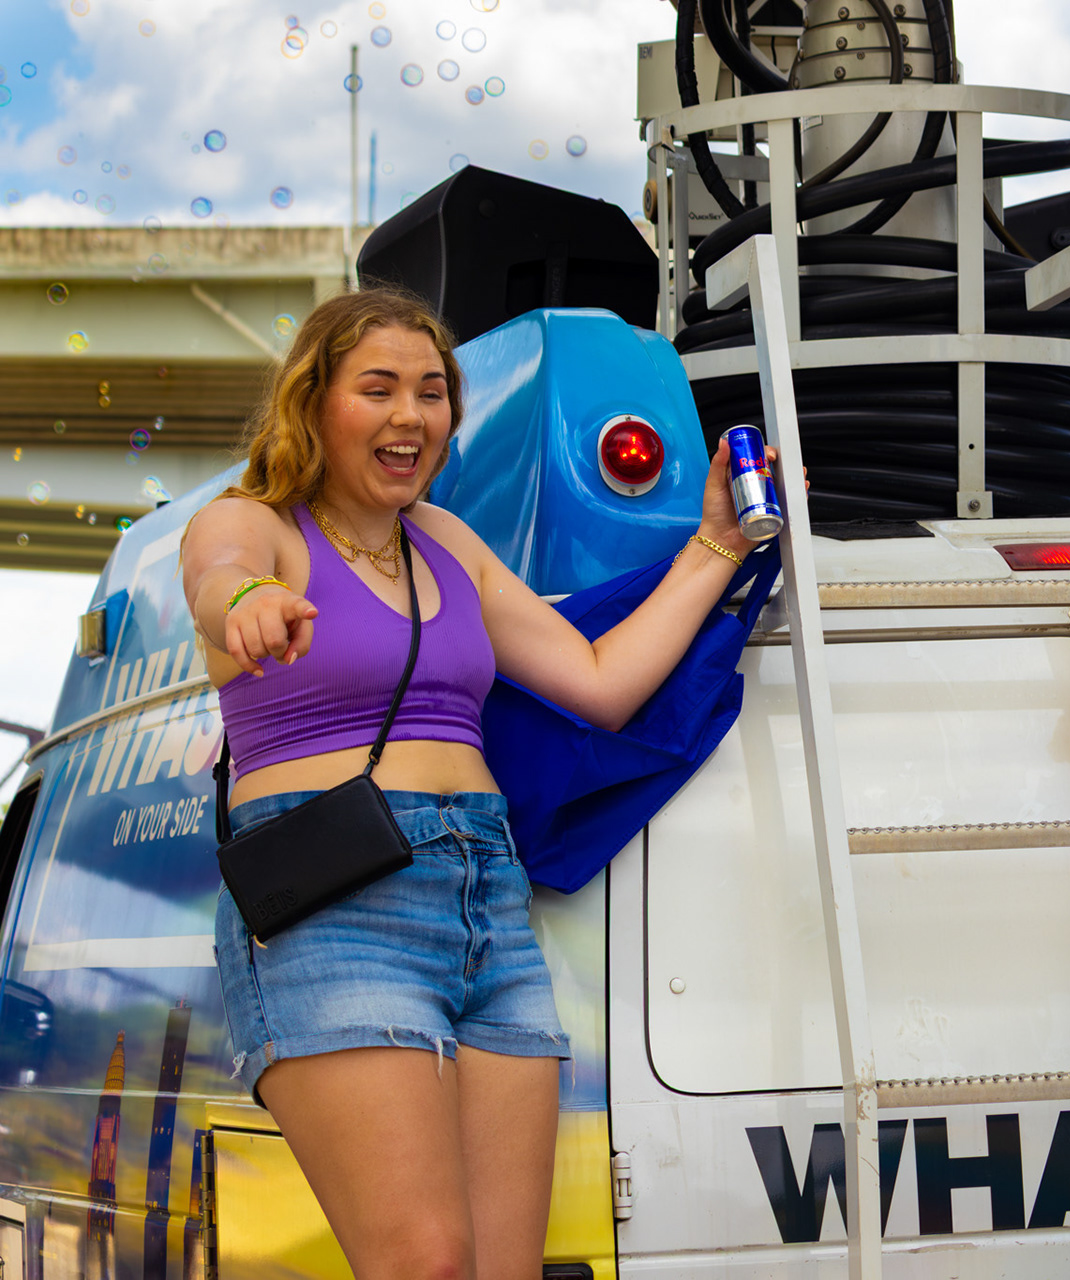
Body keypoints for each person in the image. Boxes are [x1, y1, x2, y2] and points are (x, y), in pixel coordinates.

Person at [180, 286, 770, 1279]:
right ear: (315, 402)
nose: (411, 415)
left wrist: (720, 543)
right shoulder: (256, 523)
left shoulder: (447, 543)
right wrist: (247, 601)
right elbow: (217, 573)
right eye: (378, 389)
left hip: (487, 901)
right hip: (338, 910)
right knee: (428, 1263)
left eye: (432, 391)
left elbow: (602, 683)